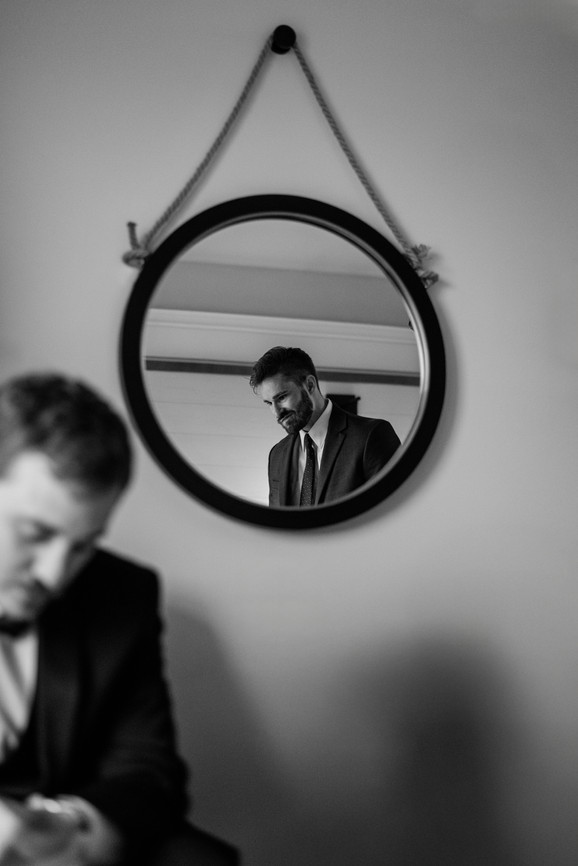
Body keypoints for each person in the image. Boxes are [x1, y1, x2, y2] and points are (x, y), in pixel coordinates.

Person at [0, 372, 238, 866]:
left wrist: (68, 827)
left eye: (83, 546)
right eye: (35, 534)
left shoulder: (123, 594)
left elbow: (147, 770)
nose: (54, 575)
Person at [249, 347, 401, 507]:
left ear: (309, 385)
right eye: (269, 403)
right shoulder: (277, 455)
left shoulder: (372, 436)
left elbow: (397, 511)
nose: (276, 412)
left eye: (281, 397)